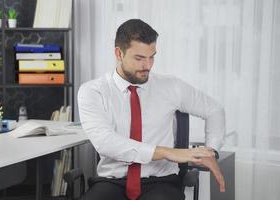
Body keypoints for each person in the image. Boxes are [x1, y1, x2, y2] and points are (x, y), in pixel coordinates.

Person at [77, 19, 226, 200]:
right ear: (119, 53)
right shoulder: (92, 91)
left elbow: (214, 109)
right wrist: (167, 152)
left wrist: (211, 151)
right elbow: (106, 142)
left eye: (152, 56)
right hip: (112, 181)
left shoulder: (171, 86)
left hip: (161, 181)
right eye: (139, 58)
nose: (147, 65)